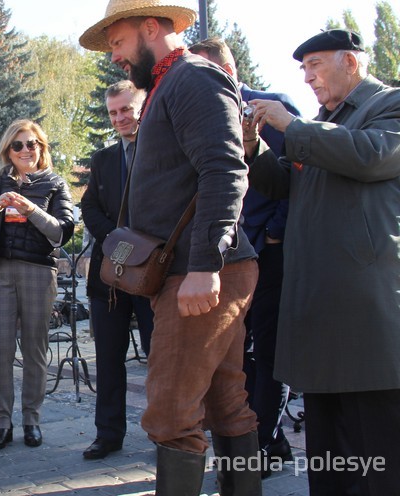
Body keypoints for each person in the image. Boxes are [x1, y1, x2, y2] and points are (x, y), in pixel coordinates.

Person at [80, 1, 262, 493]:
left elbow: (226, 171)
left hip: (200, 272)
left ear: (151, 27)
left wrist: (205, 266)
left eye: (117, 42)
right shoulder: (167, 83)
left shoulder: (193, 78)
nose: (114, 55)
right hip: (195, 270)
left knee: (169, 415)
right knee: (225, 403)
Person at [244, 29, 400, 495]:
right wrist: (254, 149)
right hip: (319, 303)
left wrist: (291, 126)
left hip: (365, 307)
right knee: (329, 447)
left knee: (376, 444)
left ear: (350, 63)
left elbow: (370, 156)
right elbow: (286, 184)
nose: (308, 77)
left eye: (315, 65)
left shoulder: (387, 106)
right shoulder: (320, 122)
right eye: (303, 69)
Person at [189, 37, 301, 472]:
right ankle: (255, 439)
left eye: (200, 72)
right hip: (228, 256)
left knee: (269, 353)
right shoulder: (197, 114)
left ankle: (266, 443)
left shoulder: (270, 106)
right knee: (237, 355)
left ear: (225, 70)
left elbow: (299, 175)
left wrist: (275, 233)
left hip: (269, 253)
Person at [0, 119, 74, 452]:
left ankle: (32, 420)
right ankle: (2, 423)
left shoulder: (54, 183)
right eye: (18, 145)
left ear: (42, 148)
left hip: (38, 271)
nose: (26, 150)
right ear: (8, 150)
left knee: (34, 349)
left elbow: (61, 232)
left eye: (32, 144)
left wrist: (31, 210)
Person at [80, 80, 155, 460]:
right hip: (108, 274)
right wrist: (117, 240)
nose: (120, 118)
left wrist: (142, 246)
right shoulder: (104, 159)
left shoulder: (163, 148)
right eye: (113, 112)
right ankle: (108, 434)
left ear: (143, 105)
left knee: (159, 356)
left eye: (126, 109)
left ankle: (165, 433)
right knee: (109, 358)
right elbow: (89, 208)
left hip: (155, 273)